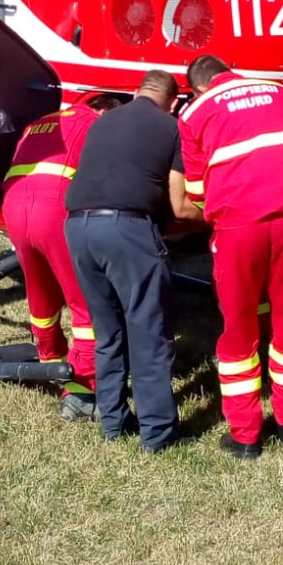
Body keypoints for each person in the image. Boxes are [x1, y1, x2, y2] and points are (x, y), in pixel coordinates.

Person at [181, 55, 283, 460]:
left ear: (199, 86)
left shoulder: (195, 112)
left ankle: (246, 435)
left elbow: (195, 189)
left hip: (240, 223)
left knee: (239, 326)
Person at [64, 70, 201, 453]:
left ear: (137, 92)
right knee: (149, 332)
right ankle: (157, 434)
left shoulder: (102, 120)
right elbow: (179, 204)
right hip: (127, 229)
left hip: (77, 228)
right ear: (173, 100)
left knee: (107, 332)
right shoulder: (171, 126)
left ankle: (113, 423)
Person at [2, 93, 123, 422]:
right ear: (102, 109)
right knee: (85, 300)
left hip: (13, 203)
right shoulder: (93, 122)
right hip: (53, 205)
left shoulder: (40, 124)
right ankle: (81, 391)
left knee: (39, 293)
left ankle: (50, 363)